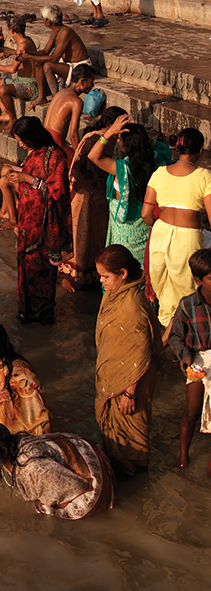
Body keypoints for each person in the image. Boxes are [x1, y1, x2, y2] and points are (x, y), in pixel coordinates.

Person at [95, 244, 165, 475]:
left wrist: (129, 392)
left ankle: (136, 476)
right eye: (100, 276)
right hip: (115, 376)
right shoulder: (115, 296)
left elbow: (140, 354)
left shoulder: (132, 306)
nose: (102, 281)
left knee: (132, 437)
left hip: (131, 384)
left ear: (123, 273)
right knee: (115, 437)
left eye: (106, 276)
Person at [0, 420, 115, 520]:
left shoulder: (34, 469)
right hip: (84, 448)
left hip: (96, 482)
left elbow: (78, 487)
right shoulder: (15, 445)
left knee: (48, 514)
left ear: (3, 451)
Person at [143, 128, 211, 339]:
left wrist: (161, 226)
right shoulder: (204, 176)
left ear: (177, 148)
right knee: (188, 289)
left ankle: (167, 334)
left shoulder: (159, 173)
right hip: (187, 237)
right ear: (200, 151)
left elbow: (146, 213)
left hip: (160, 233)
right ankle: (183, 339)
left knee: (163, 287)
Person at [7, 117, 72, 324]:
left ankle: (43, 316)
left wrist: (26, 179)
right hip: (28, 224)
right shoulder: (34, 154)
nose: (20, 144)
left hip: (44, 226)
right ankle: (26, 313)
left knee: (41, 271)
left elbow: (56, 191)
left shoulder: (55, 157)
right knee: (26, 269)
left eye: (22, 140)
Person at [88, 113, 167, 273]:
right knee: (142, 269)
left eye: (119, 139)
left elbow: (93, 156)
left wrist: (108, 133)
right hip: (146, 224)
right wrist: (141, 138)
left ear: (127, 146)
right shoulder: (157, 160)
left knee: (121, 268)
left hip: (124, 229)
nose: (117, 141)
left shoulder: (122, 169)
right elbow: (162, 147)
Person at [58, 107, 127, 290]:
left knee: (97, 238)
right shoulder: (95, 138)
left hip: (101, 194)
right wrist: (92, 192)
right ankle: (71, 276)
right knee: (83, 239)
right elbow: (76, 170)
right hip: (86, 194)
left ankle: (96, 277)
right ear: (109, 125)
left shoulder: (112, 140)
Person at [169, 248, 211, 471]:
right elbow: (176, 336)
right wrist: (184, 356)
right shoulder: (187, 305)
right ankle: (183, 454)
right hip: (198, 359)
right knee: (191, 411)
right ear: (198, 280)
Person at [18, 3, 91, 104]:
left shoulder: (66, 32)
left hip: (80, 67)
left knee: (48, 66)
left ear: (48, 21)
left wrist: (30, 56)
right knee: (39, 64)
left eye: (43, 19)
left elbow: (54, 58)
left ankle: (57, 98)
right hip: (68, 65)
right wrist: (28, 54)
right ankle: (41, 96)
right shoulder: (55, 32)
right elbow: (45, 51)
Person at [0, 15, 40, 130]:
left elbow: (12, 69)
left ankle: (13, 118)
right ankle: (5, 112)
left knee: (3, 89)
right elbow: (19, 51)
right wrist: (10, 53)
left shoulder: (24, 44)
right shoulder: (26, 40)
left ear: (11, 31)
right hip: (19, 80)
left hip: (29, 86)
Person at [43, 64, 95, 163]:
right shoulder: (76, 102)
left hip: (44, 138)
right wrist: (78, 156)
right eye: (91, 82)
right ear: (82, 82)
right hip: (56, 143)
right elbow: (73, 135)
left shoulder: (61, 92)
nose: (92, 86)